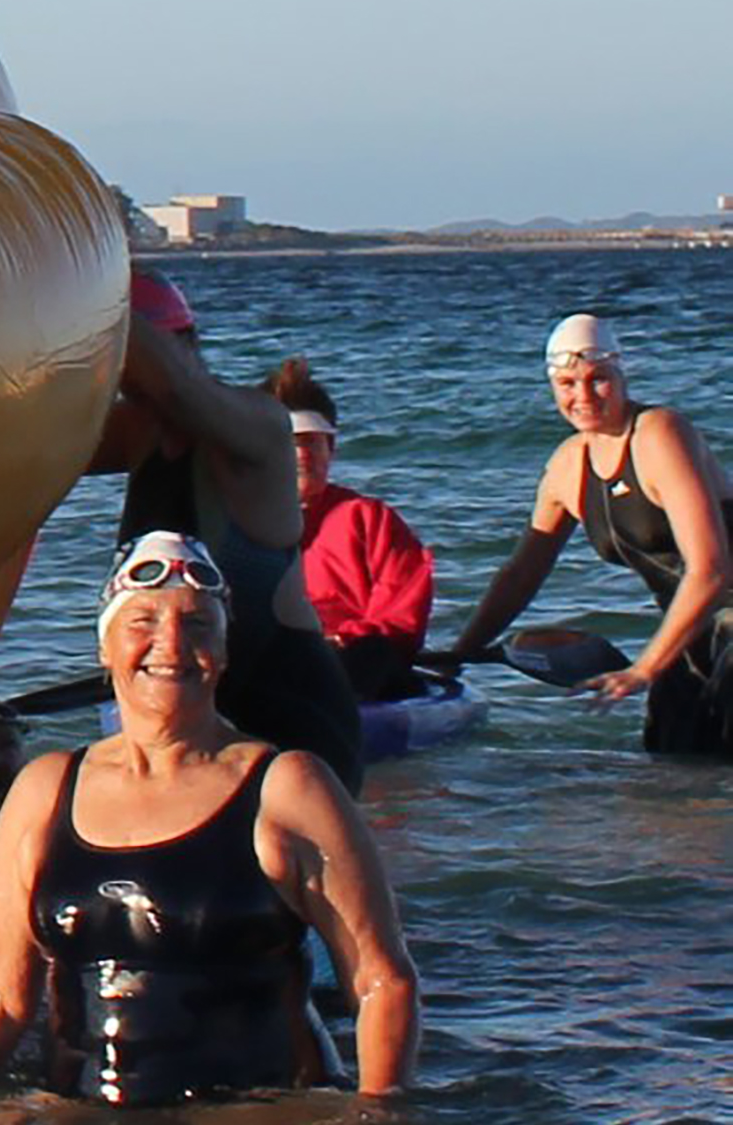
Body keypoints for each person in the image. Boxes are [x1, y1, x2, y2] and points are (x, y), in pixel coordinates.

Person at [0, 533, 417, 1103]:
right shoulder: (44, 791)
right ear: (105, 646)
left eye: (199, 624)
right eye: (142, 621)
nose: (170, 643)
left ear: (223, 653)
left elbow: (382, 980)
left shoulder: (288, 788)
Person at [83, 271, 366, 793]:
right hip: (192, 716)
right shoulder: (139, 430)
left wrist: (88, 282)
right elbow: (14, 449)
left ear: (184, 344)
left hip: (291, 714)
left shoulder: (259, 426)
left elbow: (176, 385)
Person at [438, 314, 733, 754]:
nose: (583, 396)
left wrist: (644, 669)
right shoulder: (567, 466)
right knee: (672, 782)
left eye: (599, 379)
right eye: (567, 384)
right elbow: (522, 574)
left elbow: (710, 570)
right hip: (689, 633)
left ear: (622, 373)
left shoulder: (659, 434)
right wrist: (459, 654)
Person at [267, 359, 434, 700]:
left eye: (313, 442)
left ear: (332, 449)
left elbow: (400, 619)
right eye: (290, 442)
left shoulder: (369, 519)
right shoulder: (235, 523)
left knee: (372, 651)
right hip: (271, 661)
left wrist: (340, 640)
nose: (301, 454)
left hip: (350, 662)